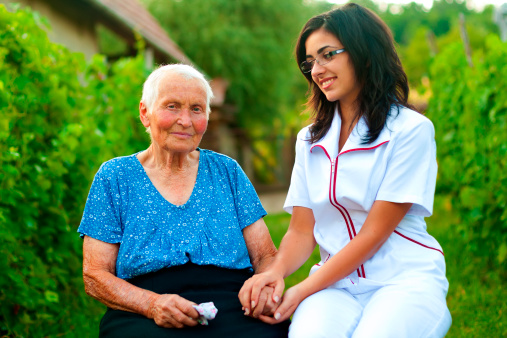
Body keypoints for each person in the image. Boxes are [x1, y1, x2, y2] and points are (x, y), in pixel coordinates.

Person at [239, 3, 452, 337]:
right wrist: (275, 272)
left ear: (364, 53)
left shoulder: (411, 131)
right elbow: (301, 231)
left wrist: (301, 290)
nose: (317, 69)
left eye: (328, 55)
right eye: (310, 62)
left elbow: (373, 234)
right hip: (336, 286)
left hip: (405, 281)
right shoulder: (309, 140)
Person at [78, 64, 289, 337]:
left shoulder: (227, 171)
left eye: (197, 109)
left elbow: (266, 256)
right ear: (145, 113)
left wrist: (263, 284)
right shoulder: (114, 177)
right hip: (144, 311)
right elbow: (95, 275)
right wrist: (152, 304)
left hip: (234, 304)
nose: (186, 121)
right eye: (172, 106)